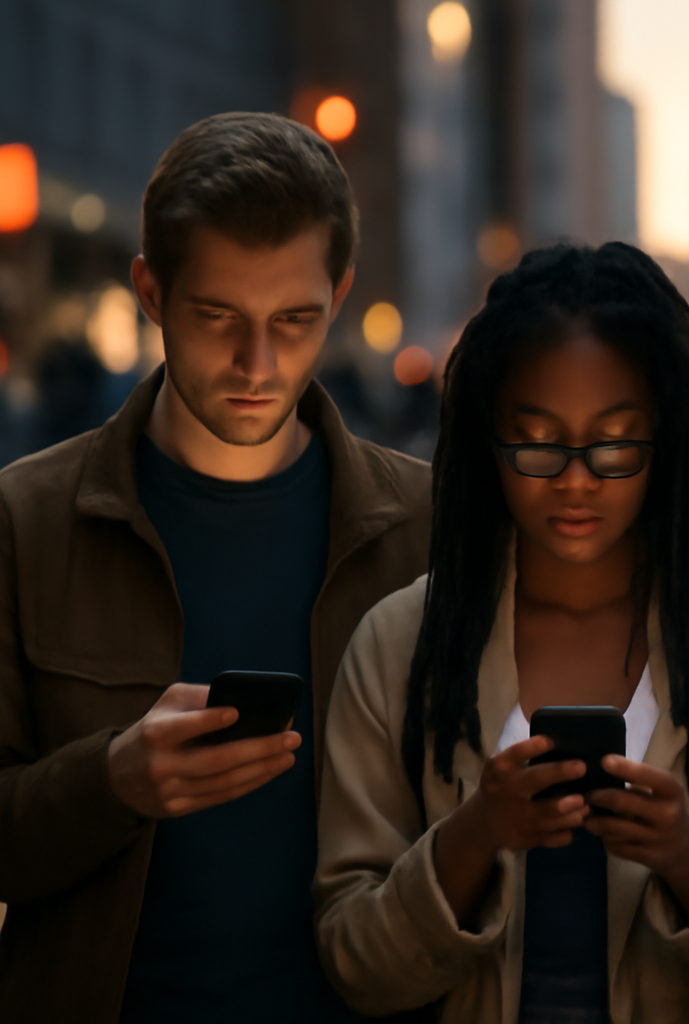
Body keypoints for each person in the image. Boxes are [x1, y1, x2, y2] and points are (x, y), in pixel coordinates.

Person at [313, 242, 689, 1024]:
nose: (576, 478)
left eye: (616, 442)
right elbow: (354, 965)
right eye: (538, 442)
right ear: (486, 441)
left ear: (668, 442)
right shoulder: (400, 645)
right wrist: (473, 836)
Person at [0, 112, 432, 1022]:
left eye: (296, 320)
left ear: (340, 294)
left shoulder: (429, 528)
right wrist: (111, 782)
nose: (258, 364)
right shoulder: (24, 521)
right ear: (151, 292)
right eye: (218, 317)